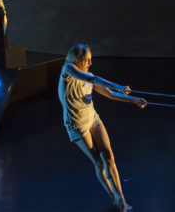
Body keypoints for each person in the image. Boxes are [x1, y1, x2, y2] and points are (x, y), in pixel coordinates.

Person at [58, 44, 147, 212]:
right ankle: (113, 197)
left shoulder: (88, 75)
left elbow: (110, 94)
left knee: (109, 157)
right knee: (98, 163)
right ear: (79, 60)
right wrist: (118, 85)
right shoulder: (68, 69)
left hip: (92, 119)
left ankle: (120, 198)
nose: (90, 63)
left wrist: (134, 100)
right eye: (88, 60)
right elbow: (92, 80)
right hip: (77, 125)